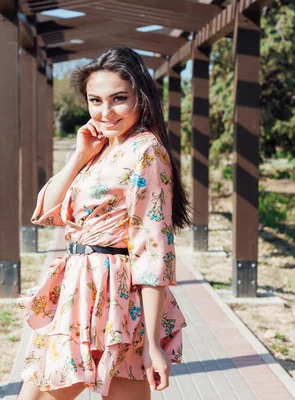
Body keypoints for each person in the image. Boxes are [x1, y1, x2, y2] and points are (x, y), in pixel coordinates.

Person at [17, 45, 190, 400]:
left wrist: (154, 342)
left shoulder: (146, 151)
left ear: (140, 98)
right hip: (79, 289)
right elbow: (47, 211)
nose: (105, 112)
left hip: (115, 295)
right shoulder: (102, 147)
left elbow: (153, 246)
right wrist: (80, 155)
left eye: (118, 99)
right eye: (95, 101)